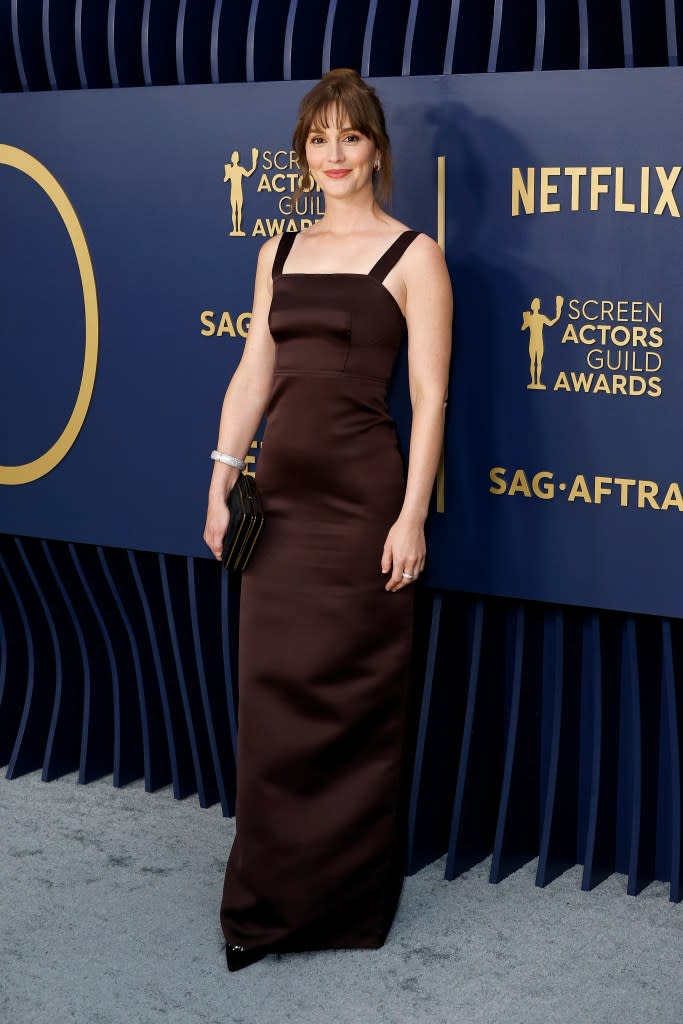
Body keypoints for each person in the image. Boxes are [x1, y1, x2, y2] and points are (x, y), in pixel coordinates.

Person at [203, 68, 452, 971]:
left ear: (376, 147)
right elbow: (251, 375)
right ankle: (264, 903)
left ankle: (341, 905)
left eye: (350, 137)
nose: (334, 155)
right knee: (272, 704)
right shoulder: (277, 250)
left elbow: (429, 401)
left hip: (362, 506)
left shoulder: (414, 256)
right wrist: (221, 480)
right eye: (318, 139)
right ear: (302, 153)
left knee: (351, 704)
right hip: (280, 504)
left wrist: (410, 516)